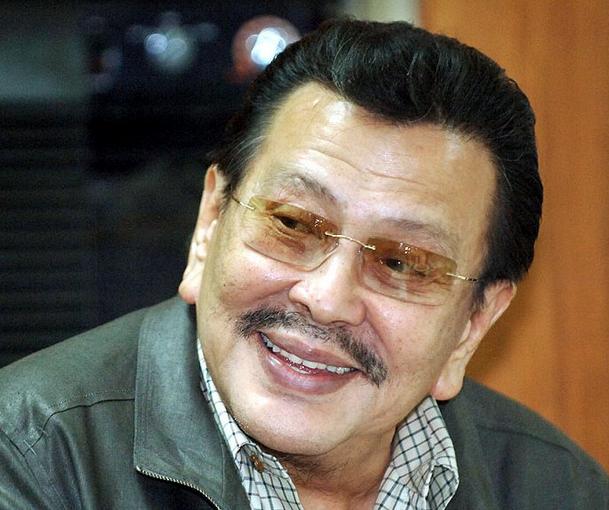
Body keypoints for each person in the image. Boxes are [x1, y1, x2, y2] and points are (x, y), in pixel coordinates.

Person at [0, 18, 606, 510]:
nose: (326, 298)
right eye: (293, 225)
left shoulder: (561, 489)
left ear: (473, 324)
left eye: (402, 263)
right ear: (210, 223)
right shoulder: (30, 457)